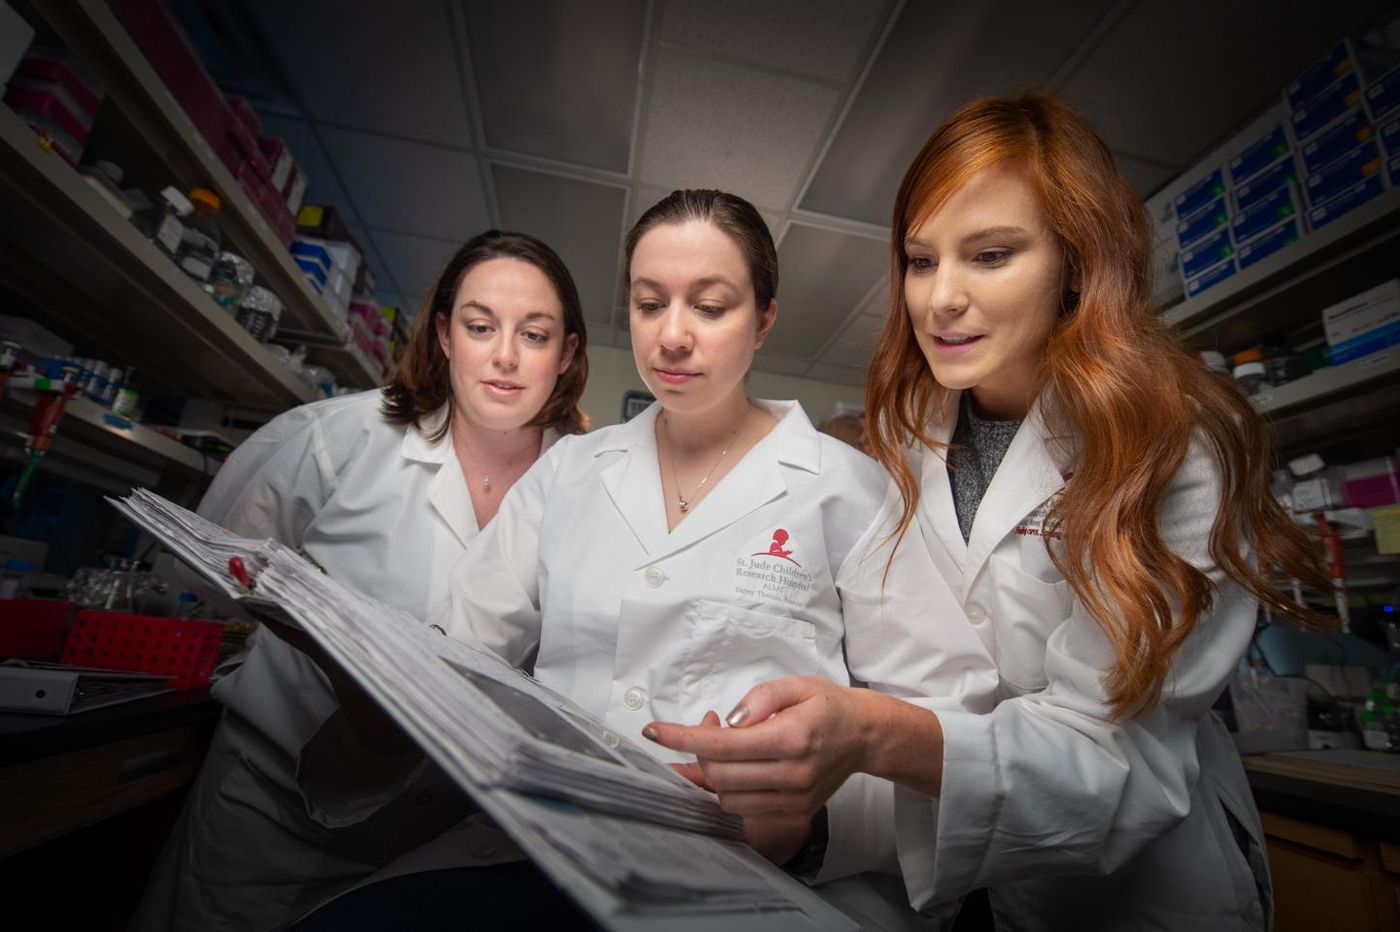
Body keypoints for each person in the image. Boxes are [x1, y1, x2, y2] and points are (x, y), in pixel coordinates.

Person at [648, 95, 1333, 930]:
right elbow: (930, 699)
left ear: (1077, 263)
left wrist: (869, 734)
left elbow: (1114, 759)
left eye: (992, 254)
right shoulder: (910, 437)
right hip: (978, 899)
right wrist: (804, 817)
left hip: (1144, 896)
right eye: (921, 260)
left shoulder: (1176, 447)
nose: (940, 299)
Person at [290, 189, 995, 931]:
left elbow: (946, 726)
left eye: (711, 306)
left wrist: (813, 825)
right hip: (545, 849)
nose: (672, 336)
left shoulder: (845, 488)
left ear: (764, 319)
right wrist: (379, 678)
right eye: (649, 303)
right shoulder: (569, 473)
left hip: (746, 879)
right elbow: (461, 656)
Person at [132, 229, 589, 932]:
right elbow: (204, 572)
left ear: (567, 355)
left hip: (438, 847)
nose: (504, 356)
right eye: (479, 326)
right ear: (443, 335)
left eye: (534, 334)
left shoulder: (587, 492)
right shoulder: (337, 439)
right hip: (269, 815)